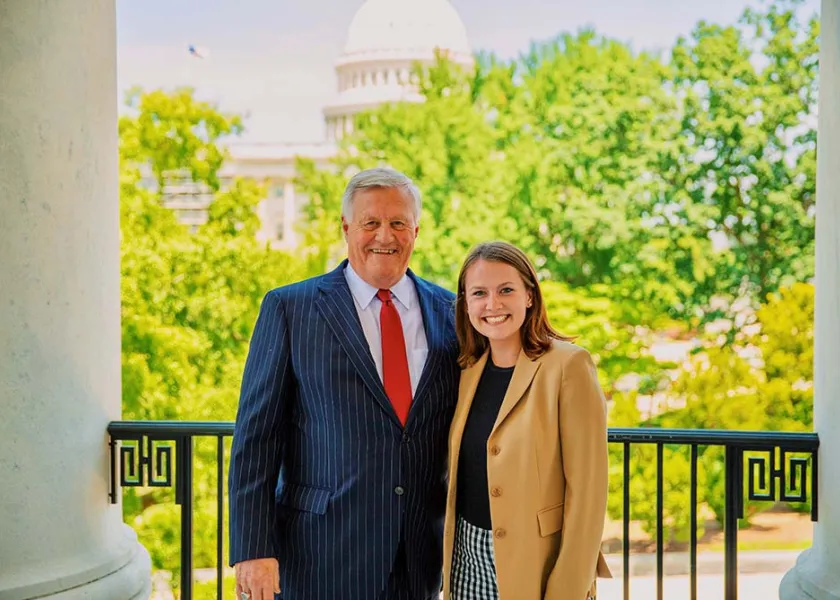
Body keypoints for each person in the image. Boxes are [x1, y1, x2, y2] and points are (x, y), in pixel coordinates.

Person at [228, 167, 460, 600]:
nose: (384, 236)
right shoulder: (290, 309)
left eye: (398, 223)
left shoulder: (452, 313)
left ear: (417, 230)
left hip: (418, 558)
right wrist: (254, 549)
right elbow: (255, 438)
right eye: (371, 222)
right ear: (346, 227)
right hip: (318, 555)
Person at [442, 241, 612, 600]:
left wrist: (569, 587)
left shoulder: (568, 366)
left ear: (530, 296)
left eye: (506, 290)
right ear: (466, 303)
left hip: (536, 564)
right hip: (465, 561)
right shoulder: (466, 371)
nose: (493, 305)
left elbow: (588, 495)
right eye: (479, 293)